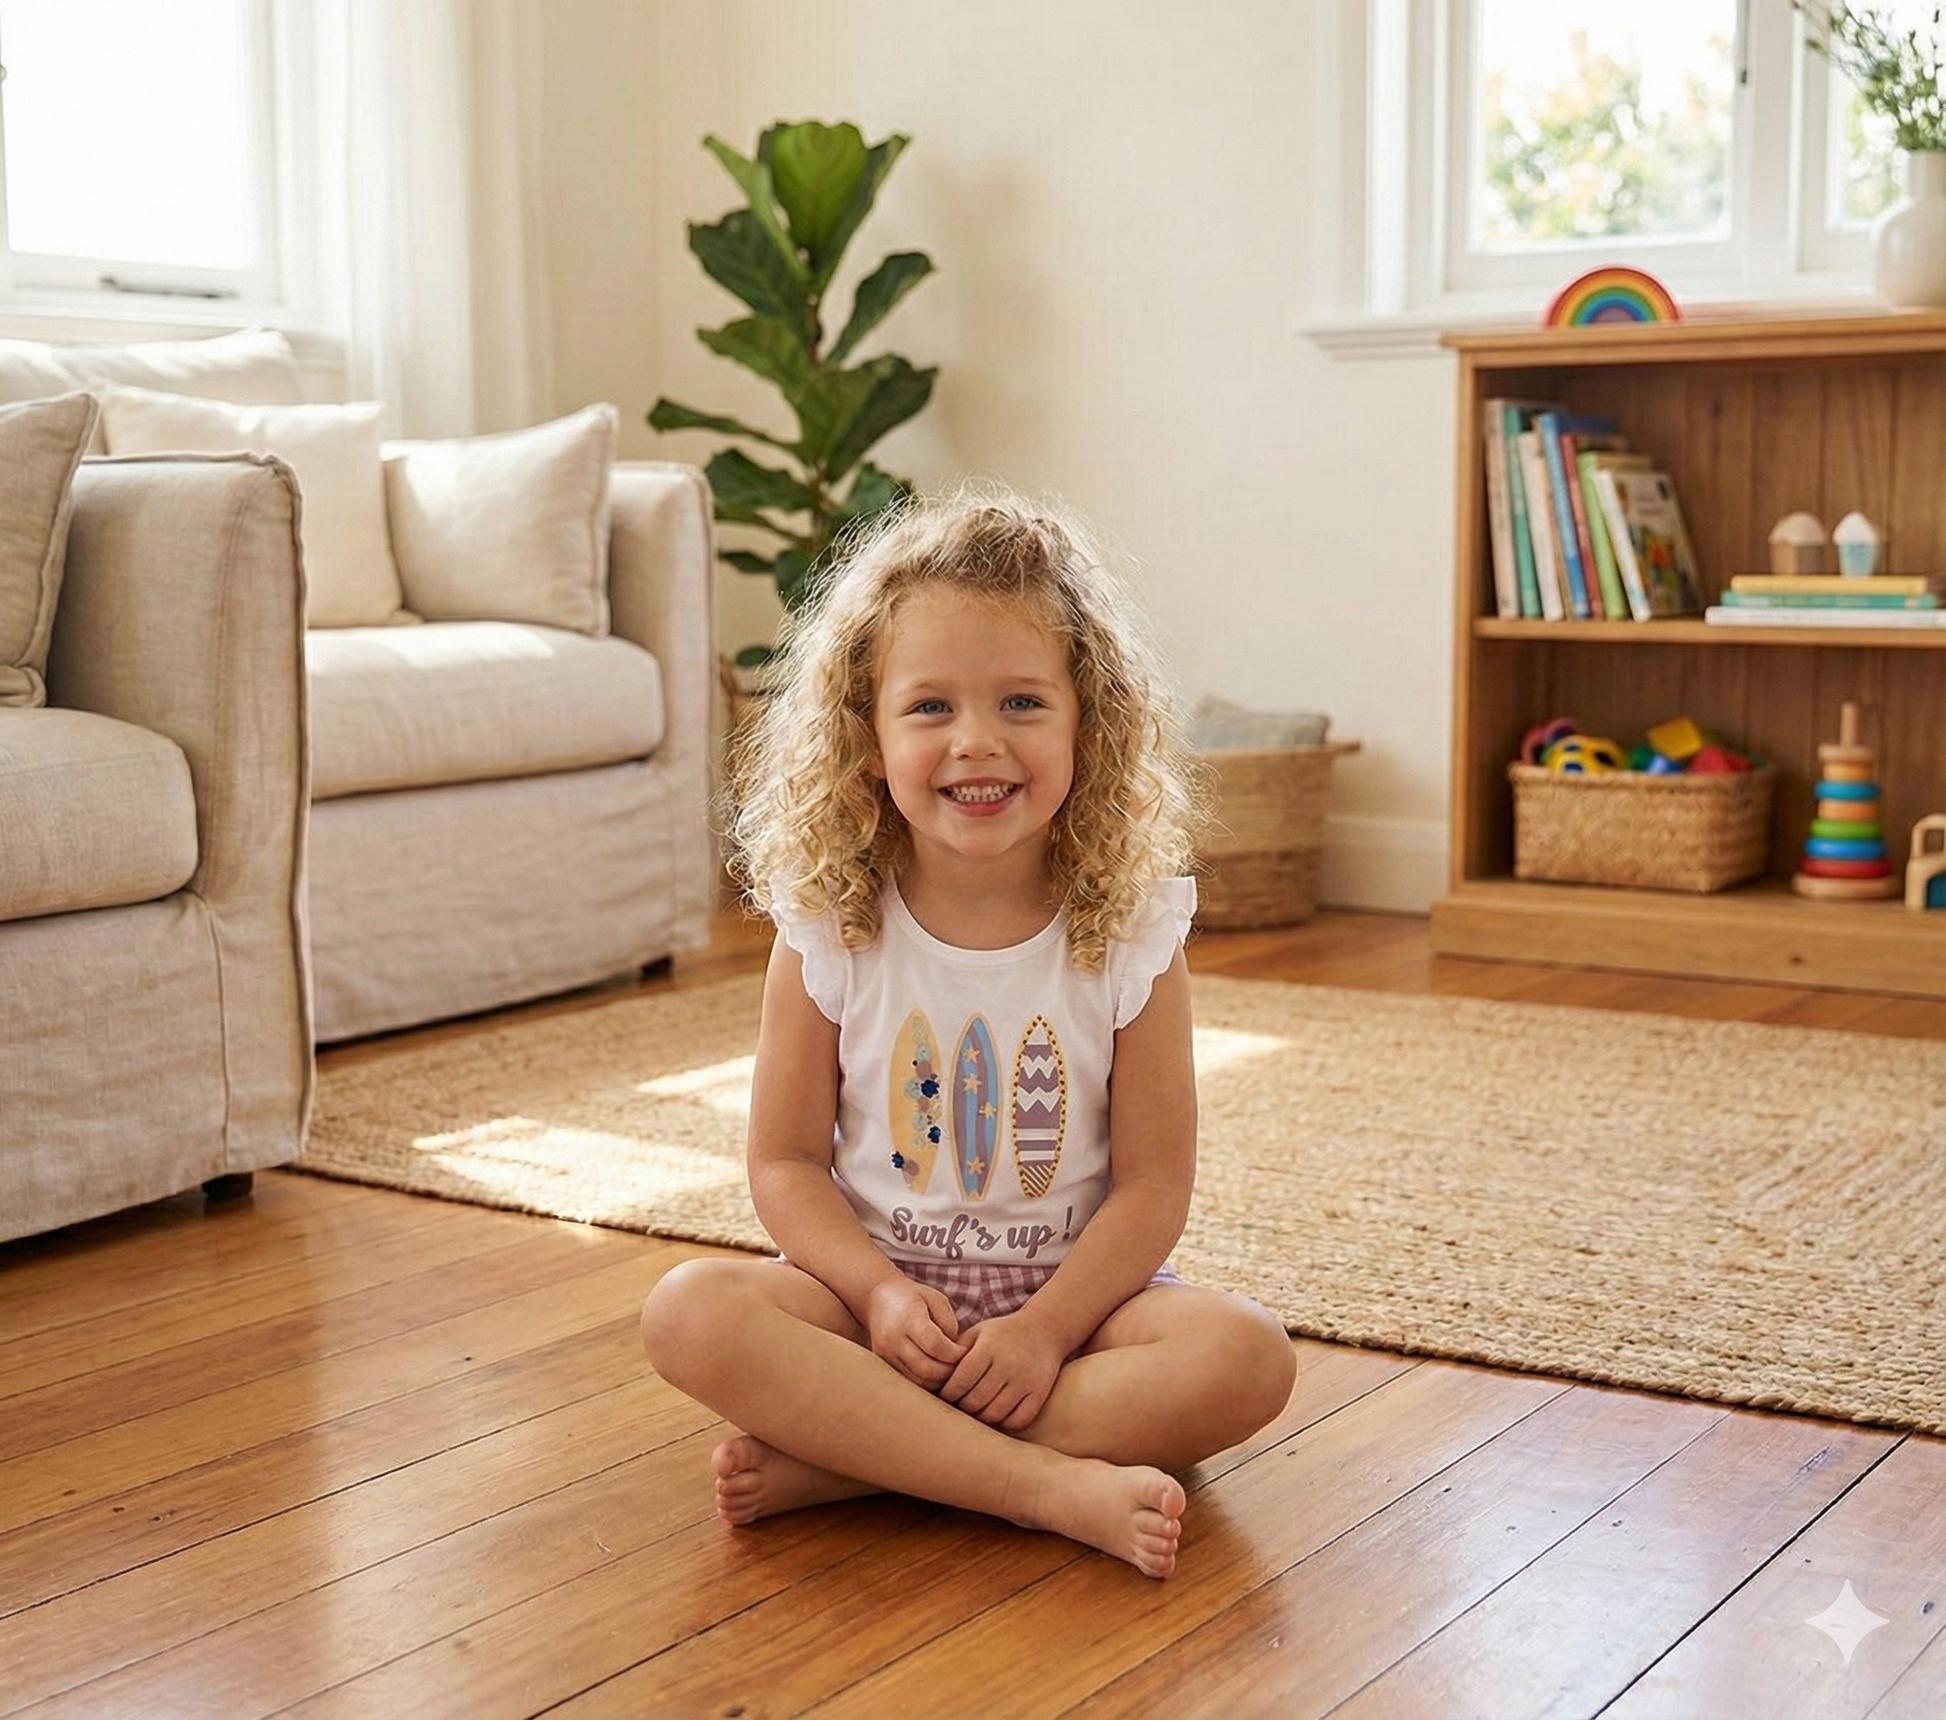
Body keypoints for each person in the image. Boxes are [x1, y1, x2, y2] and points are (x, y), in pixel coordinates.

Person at [640, 489, 1296, 1579]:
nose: (976, 741)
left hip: (1077, 1314)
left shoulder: (1132, 928)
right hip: (876, 1310)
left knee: (1245, 1359)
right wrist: (879, 1293)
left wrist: (1044, 1331)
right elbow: (784, 1162)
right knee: (689, 1312)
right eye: (930, 706)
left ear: (1091, 720)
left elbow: (1151, 1186)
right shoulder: (829, 922)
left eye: (1023, 702)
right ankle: (1035, 1484)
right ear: (866, 734)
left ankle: (859, 1460)